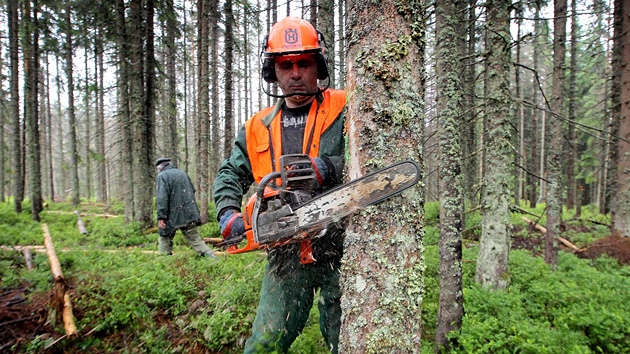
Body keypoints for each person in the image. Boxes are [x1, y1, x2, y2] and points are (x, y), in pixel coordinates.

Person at [212, 17, 346, 354]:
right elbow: (230, 173)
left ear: (319, 66)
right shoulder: (257, 126)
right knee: (265, 343)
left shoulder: (345, 107)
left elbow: (376, 156)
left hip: (345, 249)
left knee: (344, 340)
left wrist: (327, 167)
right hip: (285, 253)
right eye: (286, 65)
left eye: (304, 63)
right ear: (274, 71)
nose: (296, 73)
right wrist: (228, 214)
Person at [155, 157, 215, 258]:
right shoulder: (182, 173)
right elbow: (192, 190)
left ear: (160, 168)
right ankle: (212, 259)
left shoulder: (162, 176)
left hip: (172, 215)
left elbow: (162, 198)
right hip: (189, 212)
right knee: (195, 239)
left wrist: (161, 217)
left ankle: (163, 262)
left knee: (164, 237)